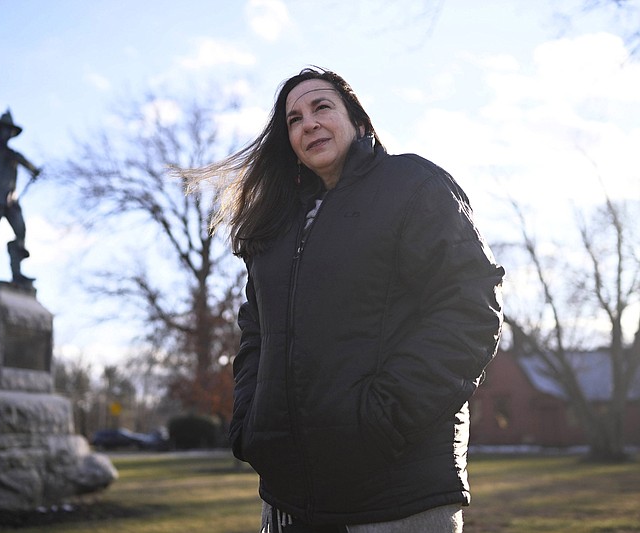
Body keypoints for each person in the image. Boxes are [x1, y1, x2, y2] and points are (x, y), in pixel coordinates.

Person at [183, 67, 504, 532]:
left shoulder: (413, 186)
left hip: (395, 495)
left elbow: (471, 306)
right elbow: (255, 333)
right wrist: (250, 424)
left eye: (321, 107)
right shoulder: (275, 224)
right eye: (293, 119)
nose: (307, 123)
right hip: (289, 501)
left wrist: (385, 418)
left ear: (357, 121)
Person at [0, 109, 41, 287]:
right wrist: (32, 167)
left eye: (10, 131)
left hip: (10, 198)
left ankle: (17, 273)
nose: (8, 134)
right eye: (6, 130)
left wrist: (32, 170)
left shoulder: (8, 152)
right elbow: (16, 156)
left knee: (20, 231)